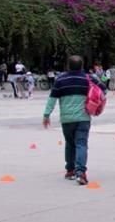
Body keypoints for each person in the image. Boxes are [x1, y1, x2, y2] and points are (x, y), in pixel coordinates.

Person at [42, 55, 105, 186]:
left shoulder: (60, 80)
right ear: (82, 66)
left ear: (68, 66)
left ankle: (70, 170)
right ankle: (81, 172)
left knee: (70, 144)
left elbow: (52, 98)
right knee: (81, 144)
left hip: (66, 118)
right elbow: (103, 89)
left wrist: (46, 115)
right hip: (83, 117)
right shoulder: (88, 78)